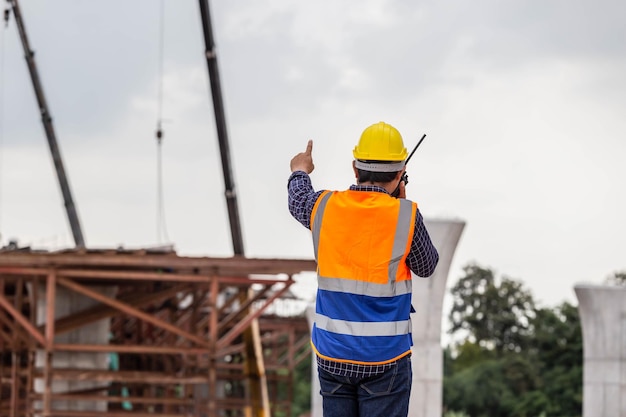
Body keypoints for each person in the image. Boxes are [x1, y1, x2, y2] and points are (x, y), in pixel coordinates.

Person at [287, 121, 440, 417]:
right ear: (399, 175)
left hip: (333, 355)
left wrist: (299, 170)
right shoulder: (406, 216)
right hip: (386, 360)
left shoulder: (325, 206)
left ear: (355, 170)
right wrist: (402, 206)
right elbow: (426, 265)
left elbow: (297, 199)